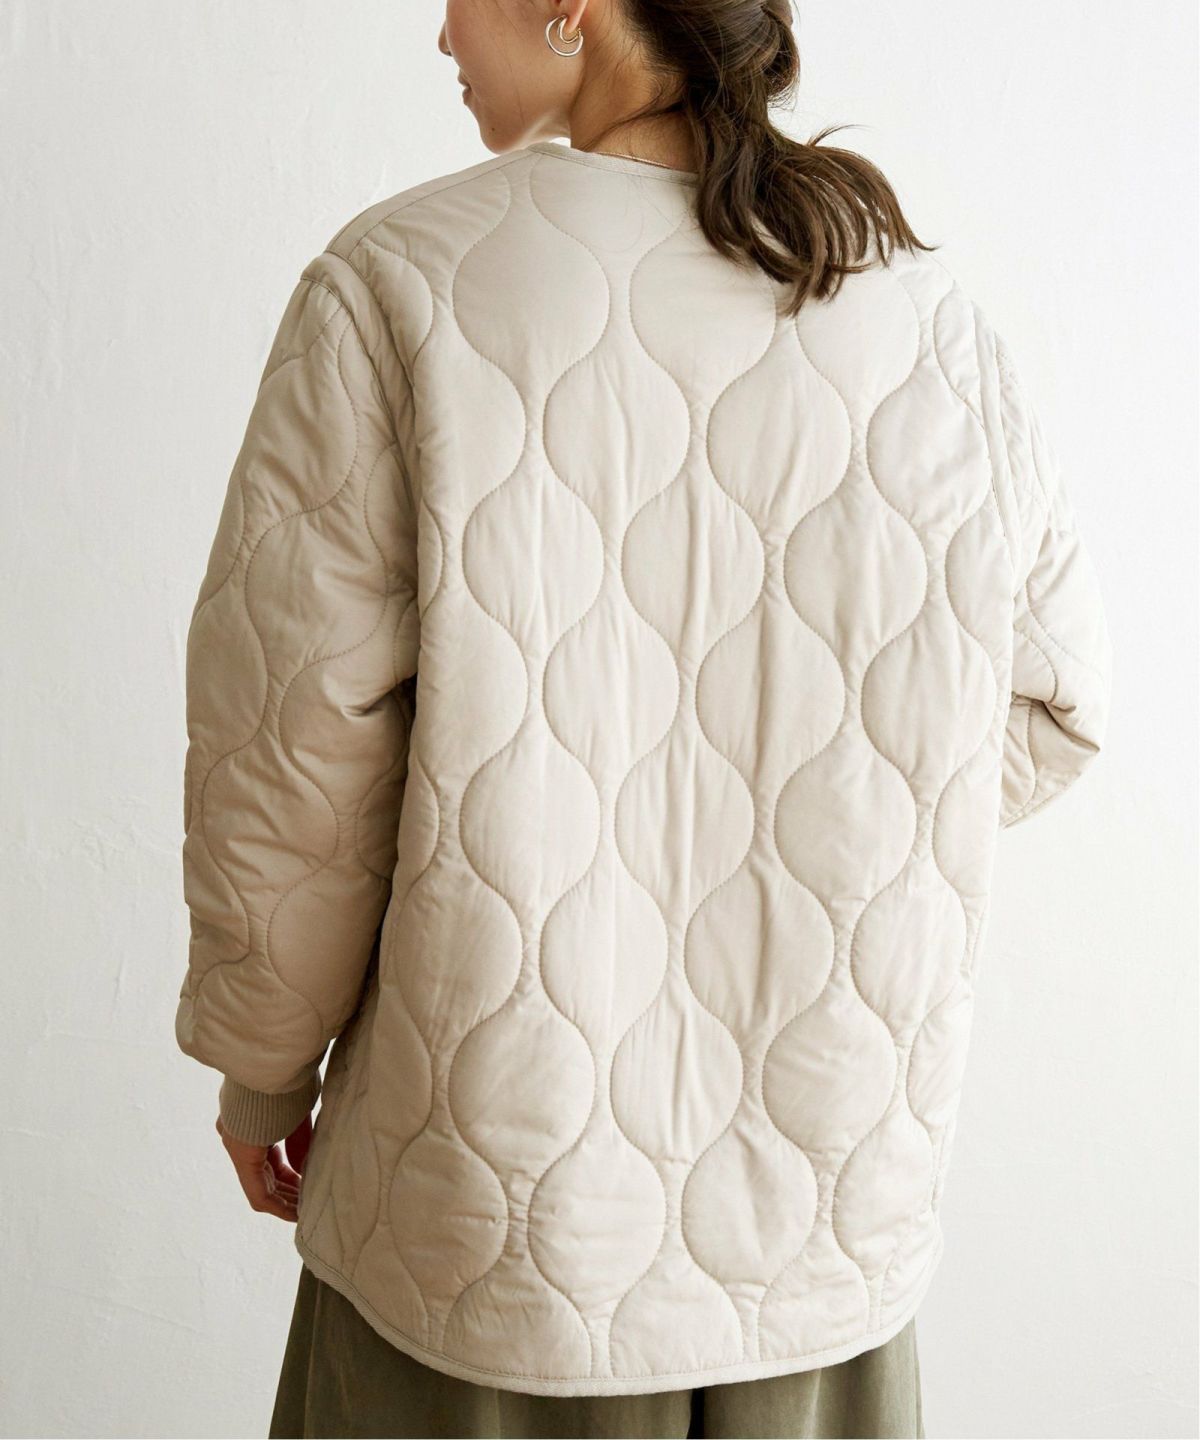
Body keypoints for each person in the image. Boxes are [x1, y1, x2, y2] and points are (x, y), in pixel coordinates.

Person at [174, 0, 1113, 1435]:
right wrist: (834, 819)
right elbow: (1055, 703)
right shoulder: (933, 327)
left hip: (489, 1230)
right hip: (820, 1234)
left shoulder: (396, 287)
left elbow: (296, 764)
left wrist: (262, 1072)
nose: (440, 31)